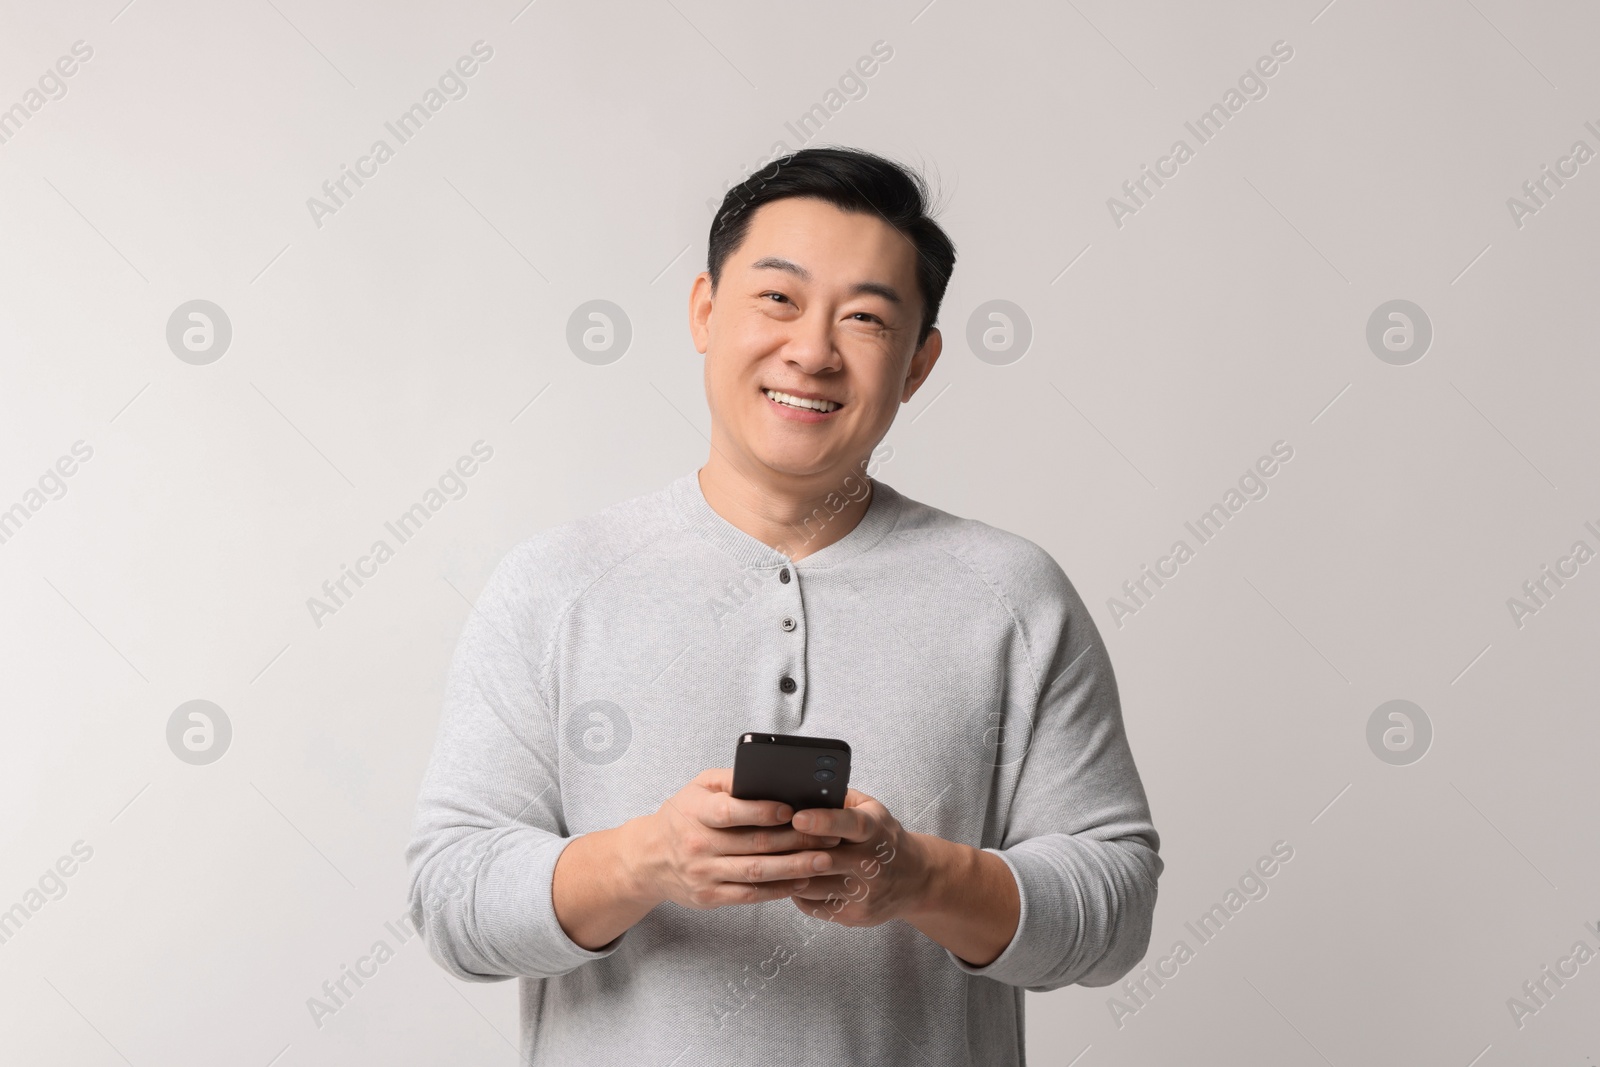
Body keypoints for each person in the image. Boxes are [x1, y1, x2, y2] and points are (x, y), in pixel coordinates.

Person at [405, 146, 1162, 1065]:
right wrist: (646, 859)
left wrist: (919, 876)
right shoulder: (554, 583)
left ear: (918, 364)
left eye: (867, 318)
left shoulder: (1012, 596)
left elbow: (1117, 910)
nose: (812, 349)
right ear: (704, 311)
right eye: (777, 298)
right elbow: (450, 899)